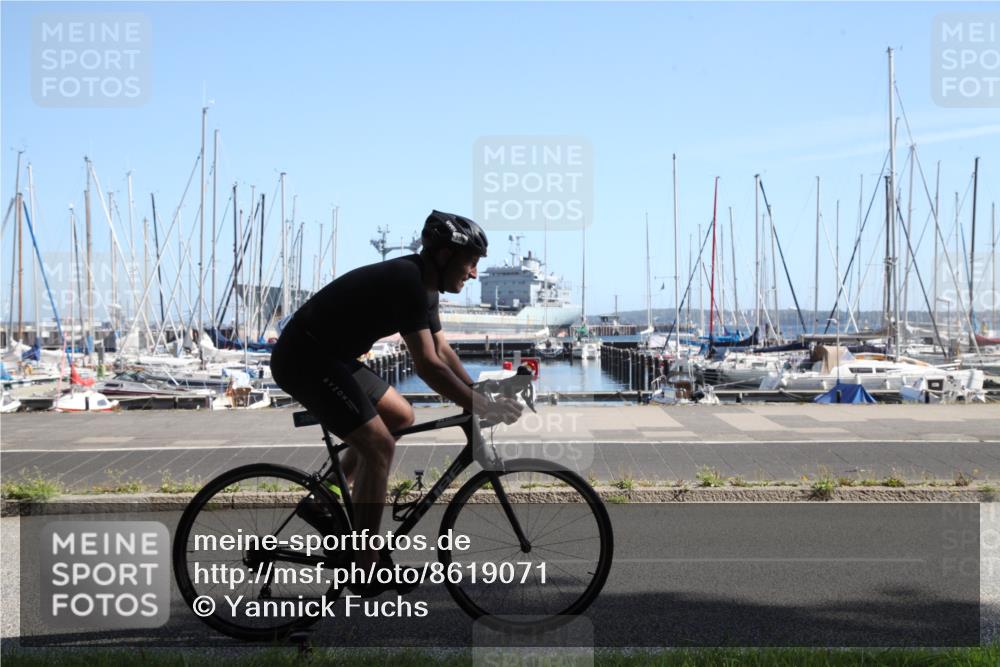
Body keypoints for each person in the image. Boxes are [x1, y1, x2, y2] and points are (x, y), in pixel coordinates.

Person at [269, 210, 522, 595]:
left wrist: (476, 394)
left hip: (332, 358)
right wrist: (480, 405)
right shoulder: (408, 281)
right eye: (471, 262)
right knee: (378, 446)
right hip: (304, 358)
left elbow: (441, 350)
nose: (473, 273)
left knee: (401, 416)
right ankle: (365, 567)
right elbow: (428, 366)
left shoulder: (426, 287)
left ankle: (324, 501)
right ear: (443, 255)